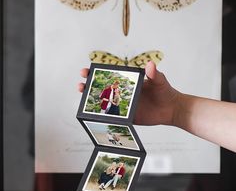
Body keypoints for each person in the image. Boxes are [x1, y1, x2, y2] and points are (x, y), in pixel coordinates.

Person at [78, 61, 236, 153]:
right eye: (115, 83)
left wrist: (174, 109)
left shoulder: (118, 91)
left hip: (117, 106)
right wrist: (172, 108)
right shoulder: (107, 89)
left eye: (117, 84)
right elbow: (101, 97)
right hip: (108, 107)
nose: (116, 85)